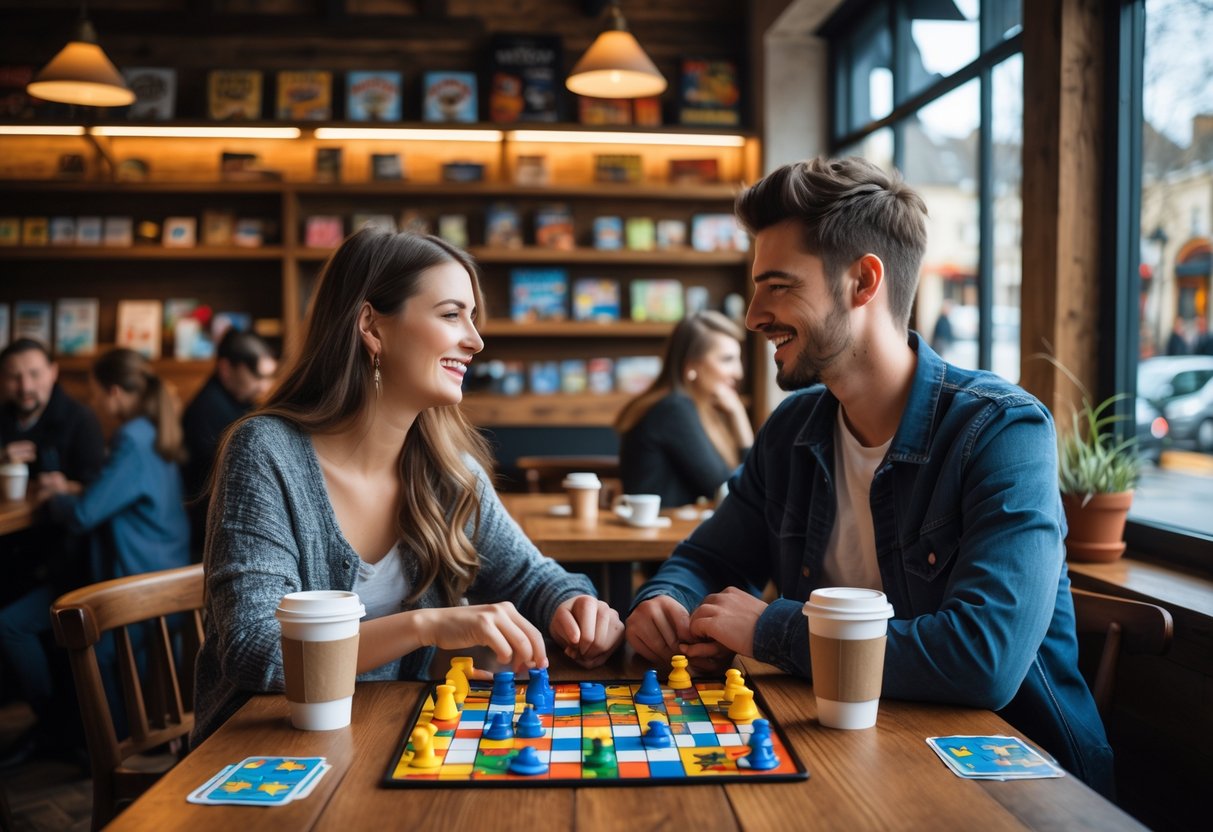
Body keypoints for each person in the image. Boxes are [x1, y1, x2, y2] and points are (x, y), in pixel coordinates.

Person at [623, 157, 1113, 796]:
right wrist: (665, 602)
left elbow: (983, 659)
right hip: (839, 754)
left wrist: (771, 630)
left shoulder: (1001, 431)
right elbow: (707, 558)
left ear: (862, 281)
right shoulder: (792, 429)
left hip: (1009, 778)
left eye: (778, 285)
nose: (752, 316)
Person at [192, 230, 624, 745]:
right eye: (450, 314)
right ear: (371, 326)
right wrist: (426, 627)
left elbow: (531, 579)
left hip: (393, 740)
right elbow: (256, 651)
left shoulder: (447, 468)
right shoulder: (265, 451)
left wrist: (574, 606)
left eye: (473, 316)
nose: (475, 340)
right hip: (264, 753)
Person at [0, 348, 190, 760]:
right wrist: (73, 489)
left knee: (95, 650)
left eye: (95, 395)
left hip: (141, 579)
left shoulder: (131, 437)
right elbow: (117, 495)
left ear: (115, 392)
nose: (94, 404)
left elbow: (85, 514)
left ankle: (110, 751)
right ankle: (111, 743)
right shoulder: (150, 428)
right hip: (167, 569)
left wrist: (54, 497)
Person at [615, 310, 753, 508]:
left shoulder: (689, 406)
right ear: (691, 365)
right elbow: (730, 491)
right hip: (659, 536)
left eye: (738, 359)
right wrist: (739, 416)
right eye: (726, 359)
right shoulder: (673, 409)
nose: (738, 372)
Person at [181, 328, 277, 558]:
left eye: (269, 376)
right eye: (258, 377)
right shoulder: (207, 410)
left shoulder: (240, 400)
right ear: (226, 368)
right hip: (212, 535)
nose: (265, 386)